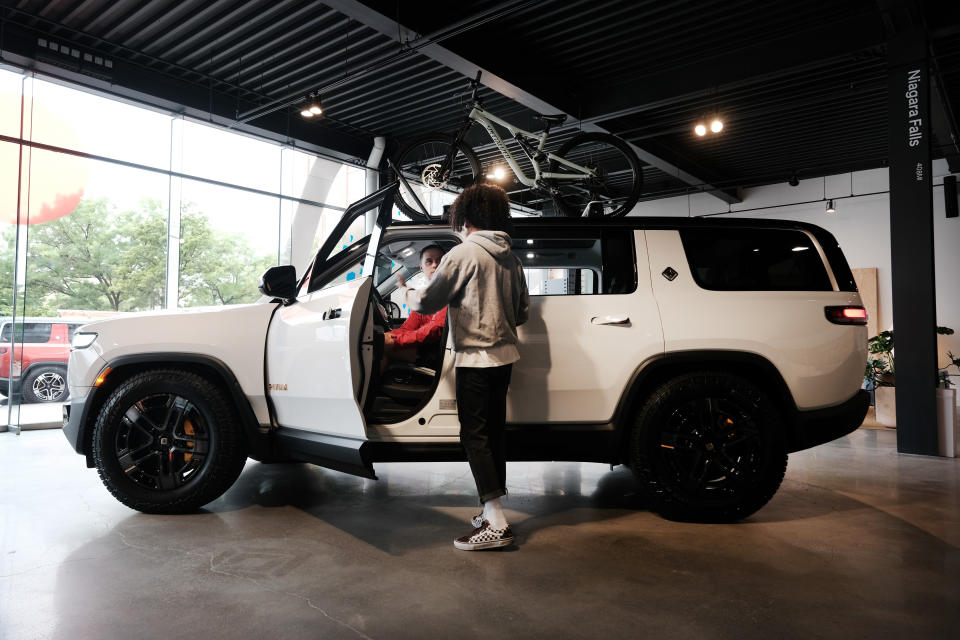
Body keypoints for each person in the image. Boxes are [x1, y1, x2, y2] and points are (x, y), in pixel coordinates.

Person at [398, 184, 529, 550]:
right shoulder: (511, 258)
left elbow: (426, 301)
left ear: (466, 217)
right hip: (505, 360)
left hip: (474, 359)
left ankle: (497, 523)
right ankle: (491, 513)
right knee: (493, 435)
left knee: (475, 436)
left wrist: (405, 290)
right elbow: (522, 313)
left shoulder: (464, 254)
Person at [382, 245, 447, 371]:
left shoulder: (448, 292)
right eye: (429, 261)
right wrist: (386, 336)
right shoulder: (422, 297)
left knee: (381, 349)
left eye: (440, 260)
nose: (435, 265)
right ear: (421, 267)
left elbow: (434, 331)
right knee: (380, 344)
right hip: (426, 347)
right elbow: (408, 328)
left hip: (439, 352)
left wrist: (395, 341)